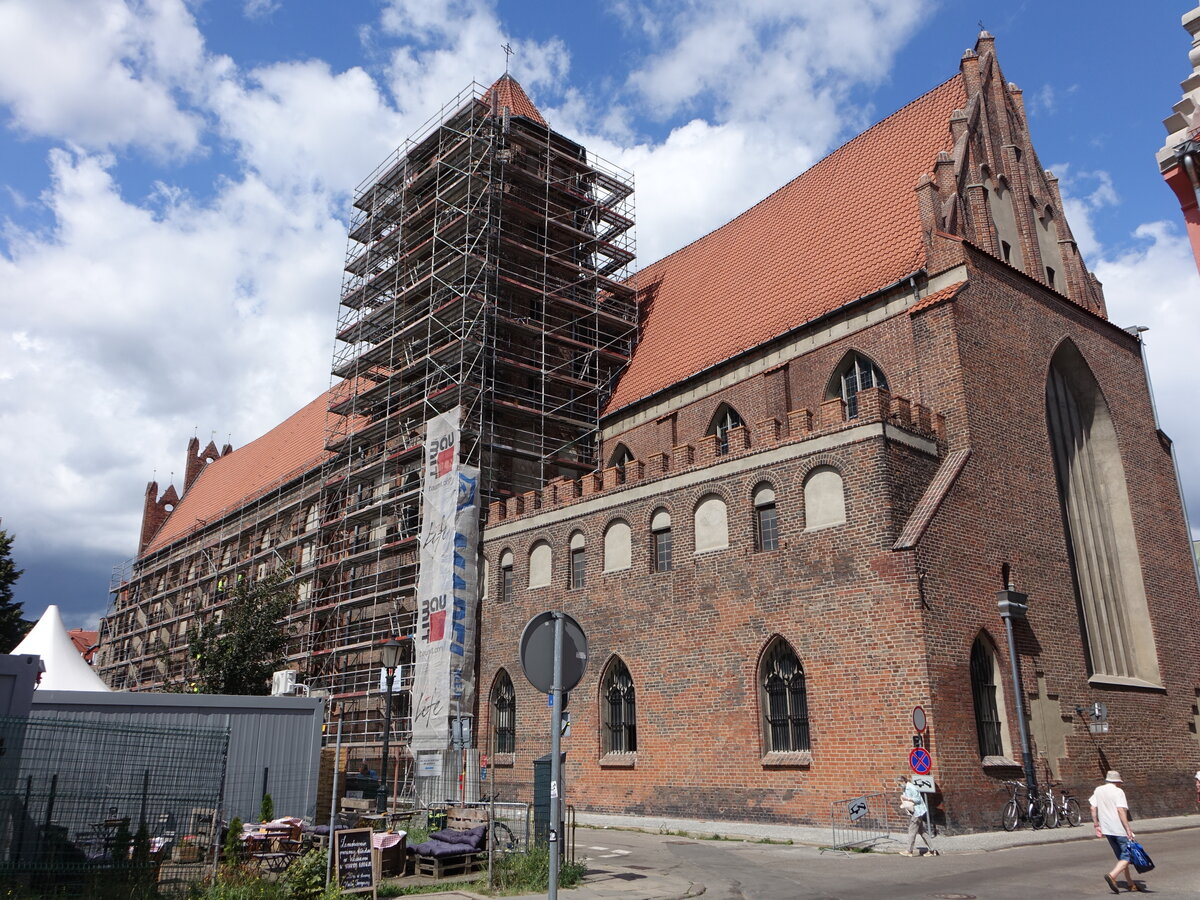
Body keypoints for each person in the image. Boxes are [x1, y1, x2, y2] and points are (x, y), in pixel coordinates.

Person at [1090, 770, 1141, 893]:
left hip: (1107, 829)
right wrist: (1128, 829)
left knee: (1122, 857)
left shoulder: (1098, 790)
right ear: (1117, 781)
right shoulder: (1118, 792)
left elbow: (1092, 807)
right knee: (1128, 855)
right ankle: (1112, 875)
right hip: (1118, 828)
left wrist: (1096, 824)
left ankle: (1130, 884)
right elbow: (1121, 810)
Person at [897, 775, 937, 857]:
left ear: (903, 781)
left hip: (917, 811)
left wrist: (908, 799)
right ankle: (932, 850)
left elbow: (918, 799)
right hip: (915, 811)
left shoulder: (911, 787)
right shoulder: (906, 788)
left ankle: (909, 850)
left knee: (912, 831)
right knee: (922, 831)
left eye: (899, 783)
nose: (899, 785)